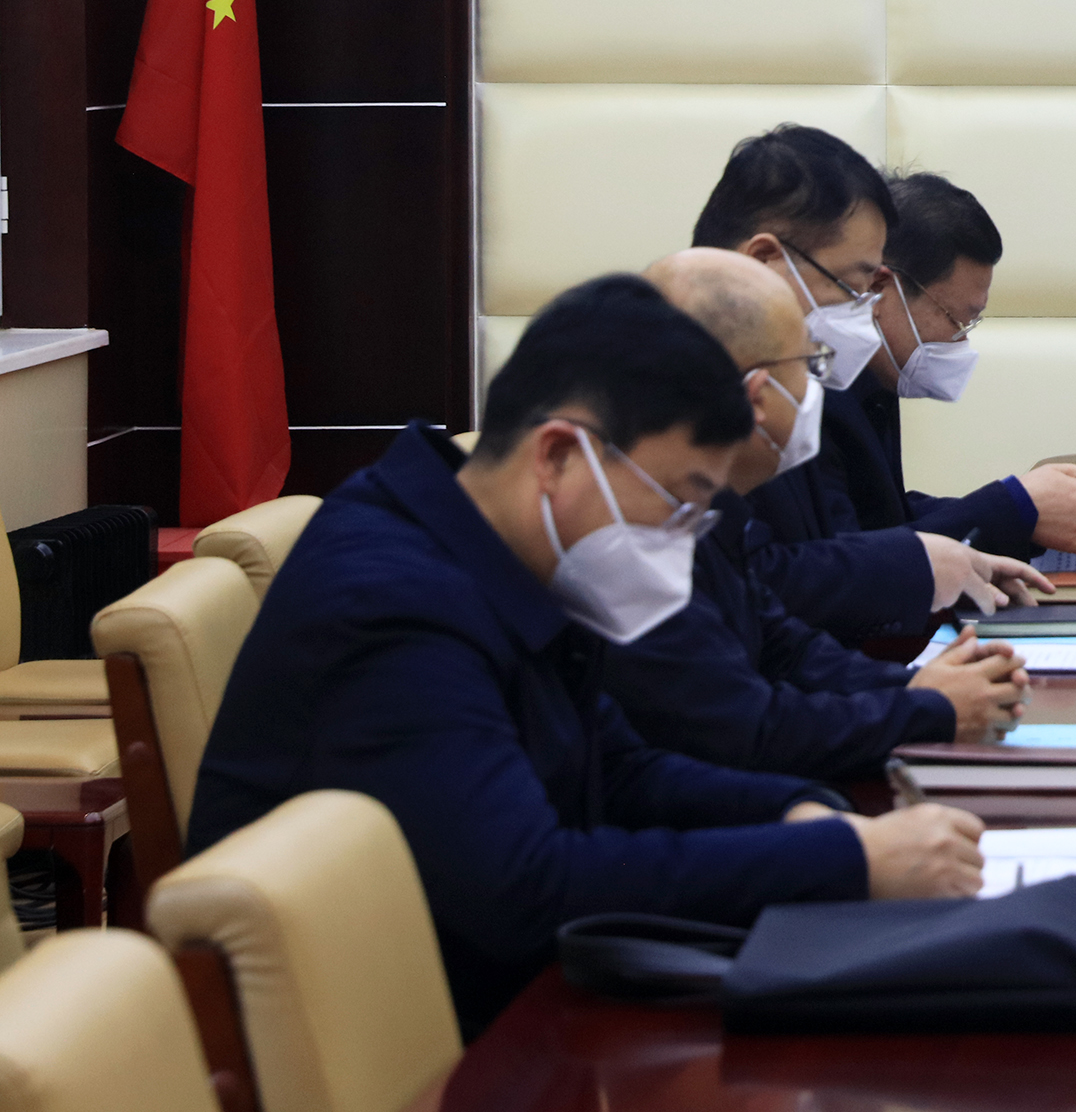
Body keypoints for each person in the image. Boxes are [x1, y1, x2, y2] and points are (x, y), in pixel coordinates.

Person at [188, 274, 988, 1038]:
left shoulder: (501, 544)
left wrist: (797, 814)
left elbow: (618, 767)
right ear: (558, 456)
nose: (682, 539)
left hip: (497, 991)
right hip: (418, 1039)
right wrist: (837, 857)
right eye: (679, 498)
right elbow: (523, 889)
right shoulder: (395, 601)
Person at [602, 250, 1039, 780]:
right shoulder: (628, 528)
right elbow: (744, 727)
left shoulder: (709, 504)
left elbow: (786, 649)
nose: (821, 391)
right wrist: (928, 708)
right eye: (812, 367)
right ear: (756, 395)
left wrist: (923, 688)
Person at [689, 126, 1075, 637]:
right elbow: (778, 583)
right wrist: (983, 526)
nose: (866, 308)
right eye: (855, 285)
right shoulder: (683, 392)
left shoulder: (793, 376)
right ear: (764, 262)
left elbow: (783, 617)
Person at [827, 172, 1076, 557]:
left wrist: (1027, 511)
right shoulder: (810, 391)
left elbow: (884, 517)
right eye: (957, 319)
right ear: (879, 289)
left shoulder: (874, 382)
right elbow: (841, 562)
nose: (961, 341)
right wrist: (1013, 508)